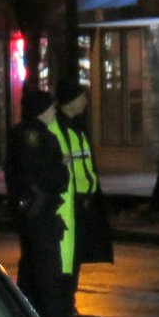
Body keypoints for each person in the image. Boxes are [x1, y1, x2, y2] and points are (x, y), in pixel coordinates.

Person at [5, 87, 74, 317]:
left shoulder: (18, 134)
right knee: (46, 271)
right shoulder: (41, 137)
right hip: (41, 212)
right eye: (51, 107)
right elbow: (49, 176)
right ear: (42, 110)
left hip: (28, 212)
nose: (54, 111)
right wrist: (61, 166)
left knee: (30, 268)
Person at [54, 80, 115, 288]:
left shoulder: (78, 127)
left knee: (78, 251)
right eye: (81, 96)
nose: (86, 101)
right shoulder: (60, 128)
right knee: (70, 251)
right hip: (70, 199)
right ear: (70, 101)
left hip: (85, 199)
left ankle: (69, 293)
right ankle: (65, 294)